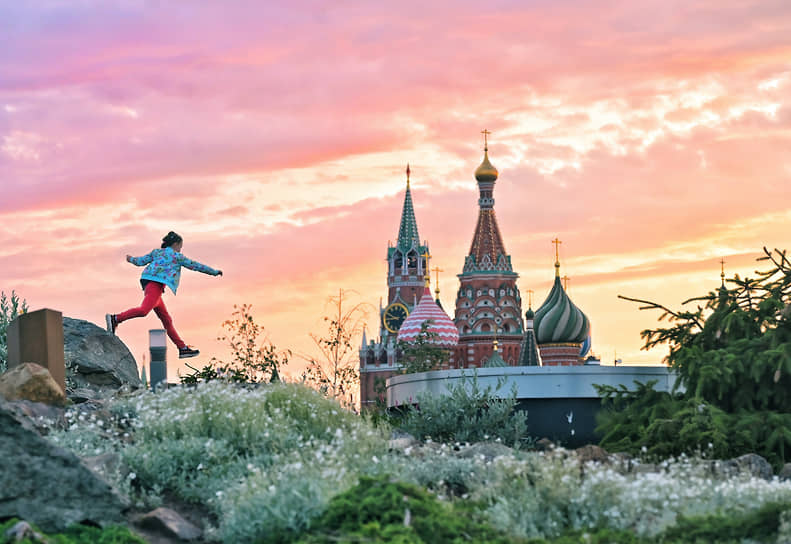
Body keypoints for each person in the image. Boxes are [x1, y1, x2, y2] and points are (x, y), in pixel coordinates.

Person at [106, 231, 222, 359]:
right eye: (180, 247)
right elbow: (195, 266)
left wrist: (130, 259)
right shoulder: (178, 257)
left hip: (152, 286)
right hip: (155, 286)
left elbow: (140, 261)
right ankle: (115, 318)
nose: (180, 250)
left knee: (167, 320)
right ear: (176, 244)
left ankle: (182, 349)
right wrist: (214, 272)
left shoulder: (157, 252)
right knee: (144, 310)